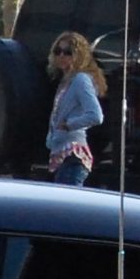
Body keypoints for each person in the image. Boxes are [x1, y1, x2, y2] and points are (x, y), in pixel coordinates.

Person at [44, 30, 106, 186]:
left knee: (64, 206)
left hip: (73, 156)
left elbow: (96, 115)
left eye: (68, 52)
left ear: (79, 55)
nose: (62, 56)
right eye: (58, 51)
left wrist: (69, 124)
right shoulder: (65, 81)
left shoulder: (80, 80)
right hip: (61, 155)